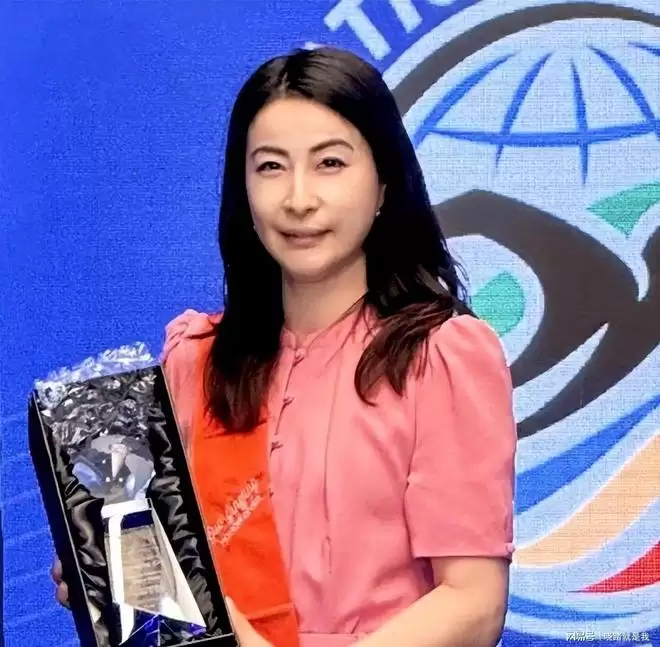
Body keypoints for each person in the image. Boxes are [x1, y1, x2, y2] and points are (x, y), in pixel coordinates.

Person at [52, 46, 516, 647]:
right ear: (243, 189)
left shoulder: (439, 355)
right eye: (271, 166)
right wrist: (113, 577)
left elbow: (473, 603)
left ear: (383, 184)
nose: (299, 199)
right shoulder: (196, 360)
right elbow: (169, 579)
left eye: (330, 163)